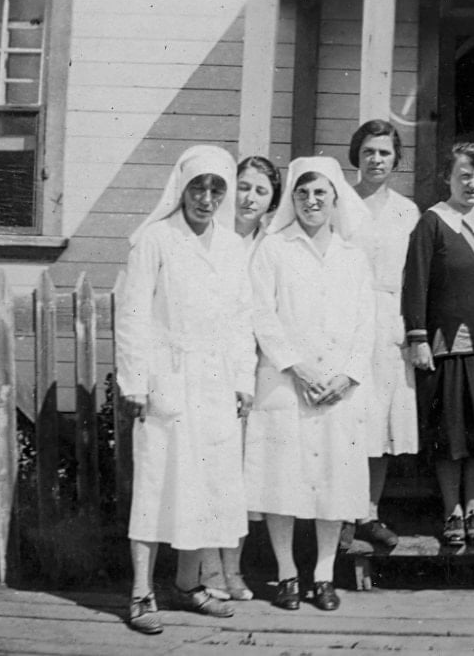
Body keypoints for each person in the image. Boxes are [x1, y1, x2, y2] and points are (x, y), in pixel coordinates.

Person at [116, 145, 255, 634]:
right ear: (182, 187)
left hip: (215, 383)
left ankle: (188, 584)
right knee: (157, 484)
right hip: (166, 377)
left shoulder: (232, 246)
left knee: (205, 485)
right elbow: (132, 313)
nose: (207, 197)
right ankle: (140, 592)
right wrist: (135, 380)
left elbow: (242, 319)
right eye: (199, 186)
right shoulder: (155, 239)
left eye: (217, 187)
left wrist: (243, 379)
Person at [245, 156, 375, 612]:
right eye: (302, 193)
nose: (311, 201)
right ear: (292, 200)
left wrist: (348, 375)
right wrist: (297, 367)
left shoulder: (353, 256)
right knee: (281, 478)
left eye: (320, 193)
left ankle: (323, 575)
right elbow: (261, 314)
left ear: (336, 198)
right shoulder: (273, 248)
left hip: (338, 390)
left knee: (333, 481)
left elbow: (366, 323)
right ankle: (286, 573)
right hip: (285, 383)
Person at [404, 142, 474, 546]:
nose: (473, 184)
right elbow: (415, 282)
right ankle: (451, 512)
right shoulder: (433, 221)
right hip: (448, 345)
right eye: (464, 175)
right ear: (448, 179)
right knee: (451, 435)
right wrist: (417, 336)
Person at [197, 155, 284, 603]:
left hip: (258, 370)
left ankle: (234, 570)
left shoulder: (271, 244)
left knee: (243, 478)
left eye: (261, 191)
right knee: (212, 470)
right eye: (244, 187)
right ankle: (209, 570)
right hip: (212, 368)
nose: (250, 198)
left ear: (272, 201)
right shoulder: (211, 237)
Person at [343, 120, 421, 550]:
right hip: (346, 318)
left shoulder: (407, 211)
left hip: (389, 320)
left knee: (380, 424)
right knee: (347, 418)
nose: (376, 159)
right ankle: (341, 513)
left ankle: (369, 513)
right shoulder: (339, 203)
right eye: (369, 151)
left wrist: (412, 331)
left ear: (396, 159)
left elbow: (414, 277)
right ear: (357, 154)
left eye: (385, 153)